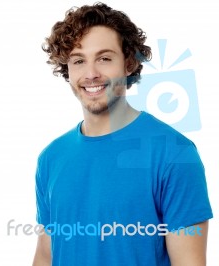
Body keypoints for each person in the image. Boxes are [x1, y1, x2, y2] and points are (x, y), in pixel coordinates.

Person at [32, 2, 212, 265]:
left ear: (128, 64)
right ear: (67, 69)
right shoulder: (51, 158)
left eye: (104, 58)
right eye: (79, 60)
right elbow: (46, 255)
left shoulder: (174, 153)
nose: (91, 73)